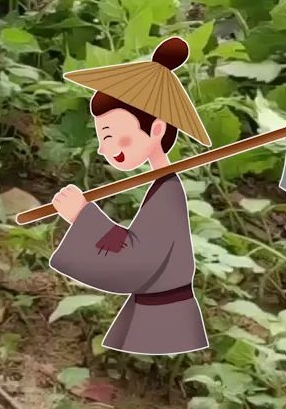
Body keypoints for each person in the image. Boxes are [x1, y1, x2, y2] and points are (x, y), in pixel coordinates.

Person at [47, 36, 211, 356]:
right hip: (155, 315)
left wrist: (83, 216)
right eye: (101, 138)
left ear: (157, 130)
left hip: (164, 322)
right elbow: (139, 250)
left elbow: (136, 262)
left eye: (111, 136)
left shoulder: (167, 193)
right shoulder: (162, 188)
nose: (105, 149)